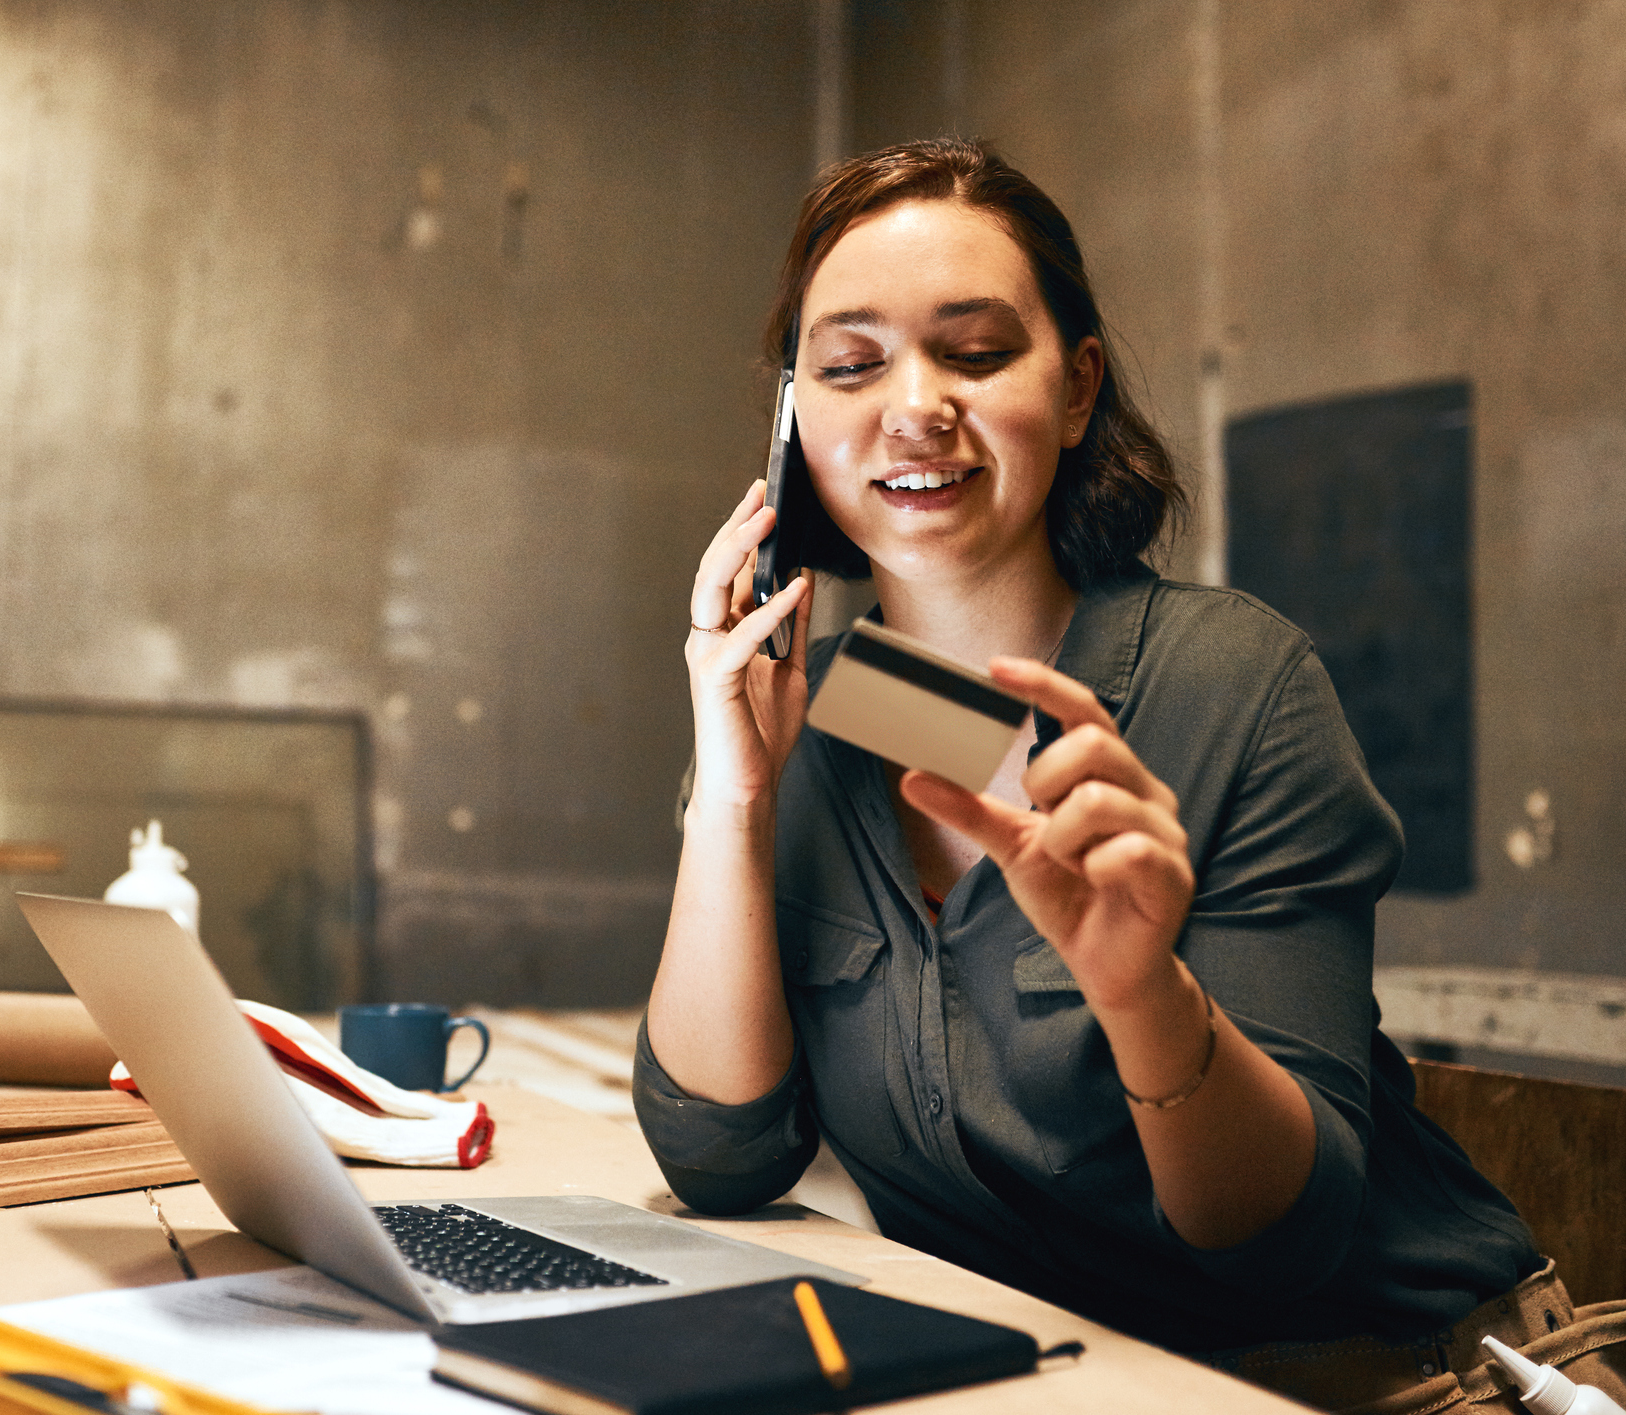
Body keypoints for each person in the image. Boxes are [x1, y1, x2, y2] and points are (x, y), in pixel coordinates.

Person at [635, 138, 1546, 1410]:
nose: (910, 408)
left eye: (972, 351)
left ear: (1074, 391)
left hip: (1379, 1378)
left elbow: (1274, 1240)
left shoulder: (1231, 681)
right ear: (793, 422)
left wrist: (1139, 990)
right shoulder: (827, 706)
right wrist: (731, 798)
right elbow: (717, 1152)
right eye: (848, 366)